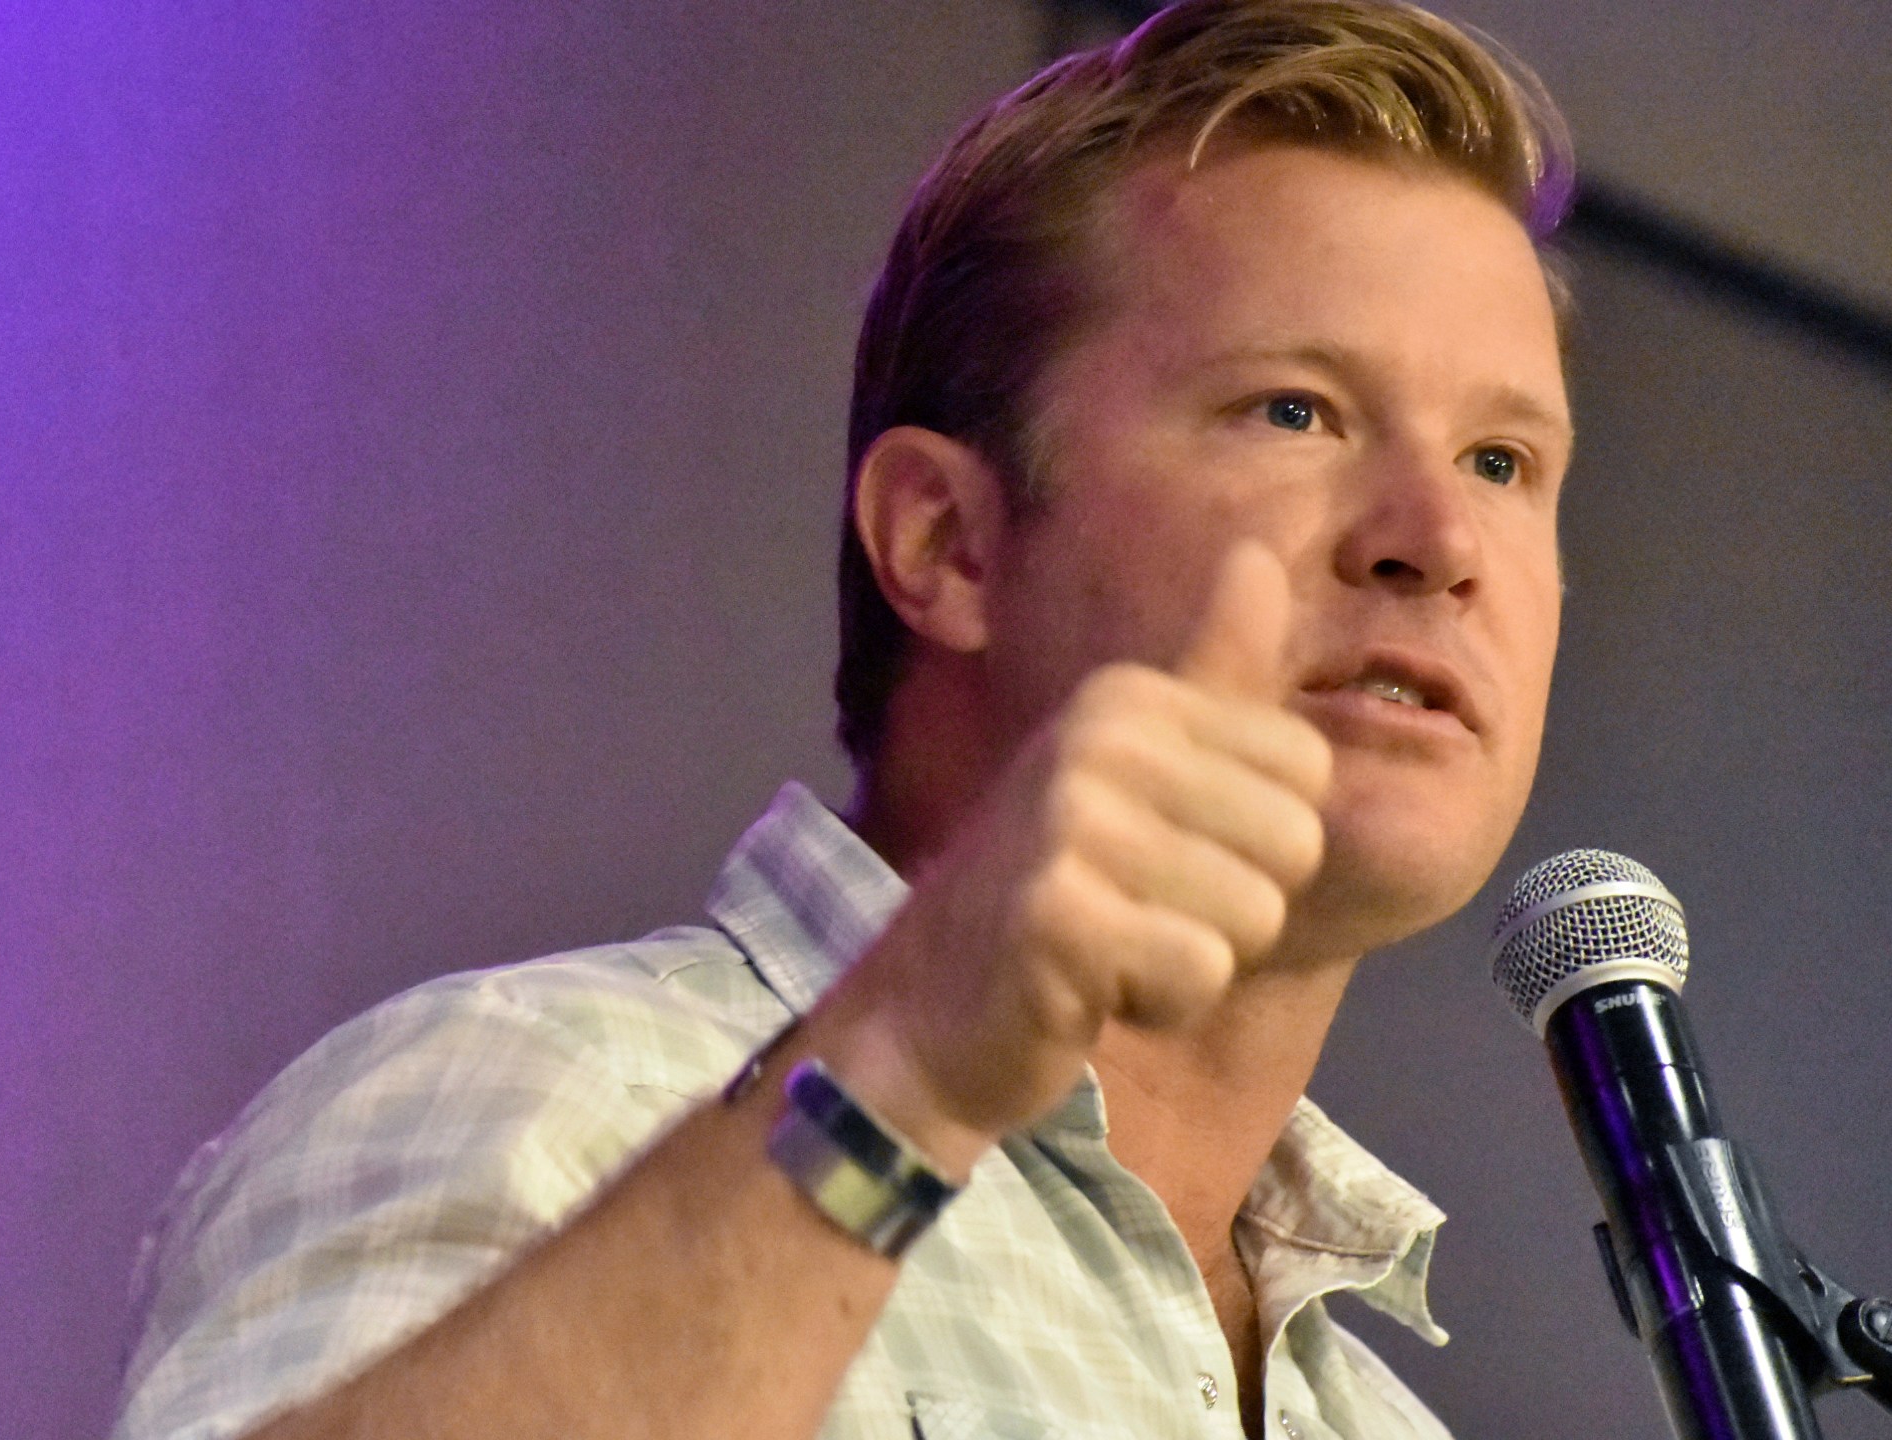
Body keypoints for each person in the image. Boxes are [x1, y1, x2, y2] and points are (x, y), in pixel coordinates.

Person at [111, 2, 1574, 1437]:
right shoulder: (550, 1100)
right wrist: (904, 1077)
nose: (1437, 537)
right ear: (945, 542)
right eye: (1296, 411)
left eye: (1504, 460)